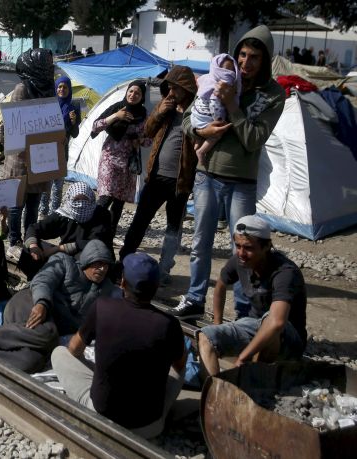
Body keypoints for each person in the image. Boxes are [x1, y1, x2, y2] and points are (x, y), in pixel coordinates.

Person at [175, 25, 286, 319]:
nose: (246, 63)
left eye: (255, 57)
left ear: (265, 60)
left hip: (242, 183)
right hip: (207, 176)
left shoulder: (273, 94)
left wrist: (231, 105)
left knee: (244, 251)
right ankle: (195, 299)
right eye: (243, 54)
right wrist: (202, 129)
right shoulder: (222, 75)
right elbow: (188, 117)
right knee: (200, 243)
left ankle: (243, 311)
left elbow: (253, 140)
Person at [51, 252, 186, 438]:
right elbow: (179, 367)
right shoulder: (169, 324)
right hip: (149, 427)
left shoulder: (103, 307)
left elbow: (74, 349)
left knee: (59, 352)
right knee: (179, 369)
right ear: (155, 289)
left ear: (122, 283)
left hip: (102, 414)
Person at [0, 240, 115, 373]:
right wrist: (42, 303)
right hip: (30, 302)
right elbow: (43, 280)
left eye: (106, 265)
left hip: (45, 330)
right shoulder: (64, 262)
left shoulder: (106, 289)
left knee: (31, 362)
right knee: (48, 333)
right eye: (98, 263)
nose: (102, 269)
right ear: (87, 260)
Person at [197, 215, 307, 376]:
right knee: (206, 337)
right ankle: (216, 392)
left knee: (269, 319)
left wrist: (243, 357)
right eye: (238, 246)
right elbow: (220, 286)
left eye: (248, 248)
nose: (241, 253)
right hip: (254, 326)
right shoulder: (239, 261)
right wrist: (217, 324)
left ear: (266, 247)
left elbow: (277, 322)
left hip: (288, 340)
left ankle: (251, 383)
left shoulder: (285, 273)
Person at [118, 66, 198, 285]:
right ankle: (124, 260)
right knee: (140, 220)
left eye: (175, 87)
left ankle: (164, 268)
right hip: (156, 177)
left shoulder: (196, 111)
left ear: (185, 89)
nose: (171, 91)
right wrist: (161, 110)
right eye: (169, 86)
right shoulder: (166, 108)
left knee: (173, 227)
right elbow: (148, 131)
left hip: (180, 181)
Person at [0, 48, 56, 256]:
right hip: (21, 156)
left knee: (34, 204)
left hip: (42, 155)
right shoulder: (22, 89)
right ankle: (14, 240)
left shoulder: (50, 89)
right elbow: (13, 123)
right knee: (17, 203)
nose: (49, 68)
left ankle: (30, 239)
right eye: (46, 64)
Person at [92, 80, 151, 243]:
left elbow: (149, 140)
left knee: (118, 204)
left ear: (142, 96)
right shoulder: (117, 107)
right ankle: (90, 233)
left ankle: (108, 238)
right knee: (104, 199)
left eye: (137, 93)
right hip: (110, 158)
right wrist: (116, 116)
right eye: (130, 91)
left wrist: (139, 141)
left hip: (129, 163)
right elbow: (95, 126)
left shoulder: (144, 115)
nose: (133, 95)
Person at [17, 182, 112, 280]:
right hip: (66, 254)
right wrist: (34, 246)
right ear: (69, 200)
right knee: (29, 249)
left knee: (86, 260)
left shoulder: (101, 214)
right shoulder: (64, 214)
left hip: (91, 254)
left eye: (84, 199)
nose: (81, 203)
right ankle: (34, 279)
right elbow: (34, 228)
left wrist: (59, 248)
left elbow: (96, 242)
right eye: (76, 199)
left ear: (91, 198)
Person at [190, 54, 241, 167]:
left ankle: (198, 141)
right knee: (217, 133)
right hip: (203, 119)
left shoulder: (207, 79)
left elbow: (199, 82)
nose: (229, 73)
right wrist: (219, 120)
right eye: (225, 70)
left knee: (201, 129)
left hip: (195, 116)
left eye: (232, 70)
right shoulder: (219, 89)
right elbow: (215, 106)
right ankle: (202, 151)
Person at [39, 76, 80, 217]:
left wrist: (74, 122)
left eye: (65, 87)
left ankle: (54, 212)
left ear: (69, 89)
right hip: (47, 150)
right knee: (46, 183)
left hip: (62, 150)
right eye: (60, 87)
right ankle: (42, 210)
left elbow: (75, 134)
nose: (62, 89)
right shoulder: (48, 106)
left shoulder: (73, 108)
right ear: (56, 88)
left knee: (58, 185)